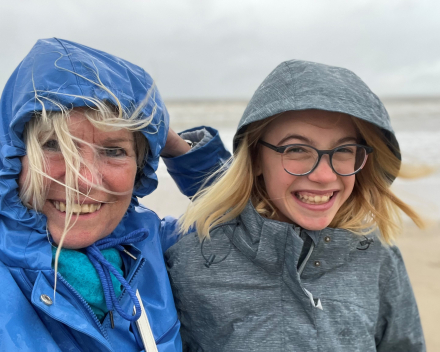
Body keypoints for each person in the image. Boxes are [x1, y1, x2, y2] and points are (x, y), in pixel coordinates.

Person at [166, 60, 426, 351]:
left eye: (344, 150)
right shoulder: (192, 260)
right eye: (297, 149)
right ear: (255, 158)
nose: (324, 175)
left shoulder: (379, 259)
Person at [0, 38, 229, 351]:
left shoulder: (151, 247)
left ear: (140, 169)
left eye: (113, 150)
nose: (83, 179)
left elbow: (254, 225)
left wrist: (171, 144)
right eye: (53, 145)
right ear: (12, 158)